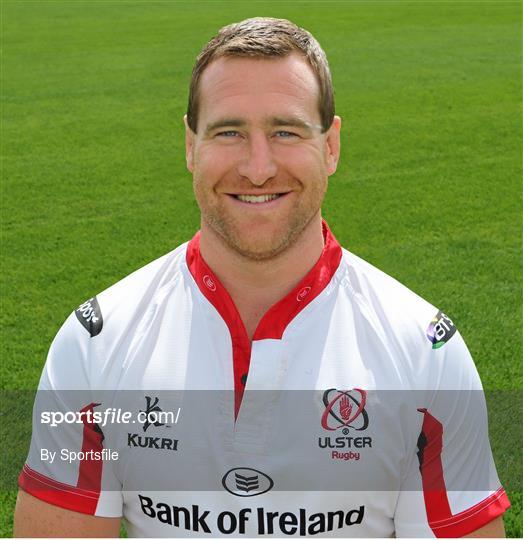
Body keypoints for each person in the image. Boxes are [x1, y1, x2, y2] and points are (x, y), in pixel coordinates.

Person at [14, 17, 509, 538]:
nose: (257, 167)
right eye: (229, 132)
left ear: (331, 145)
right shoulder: (94, 343)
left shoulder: (424, 352)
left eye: (285, 131)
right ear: (190, 145)